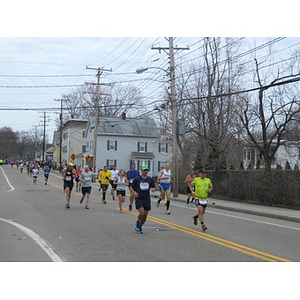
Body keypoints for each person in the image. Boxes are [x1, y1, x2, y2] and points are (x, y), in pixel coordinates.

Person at [130, 165, 156, 234]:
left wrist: (153, 189)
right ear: (141, 171)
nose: (145, 172)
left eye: (146, 170)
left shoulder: (150, 179)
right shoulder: (137, 179)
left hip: (147, 198)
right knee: (142, 212)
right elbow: (131, 187)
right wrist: (134, 192)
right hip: (139, 198)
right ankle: (138, 221)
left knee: (145, 216)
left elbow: (153, 187)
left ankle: (140, 226)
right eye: (144, 170)